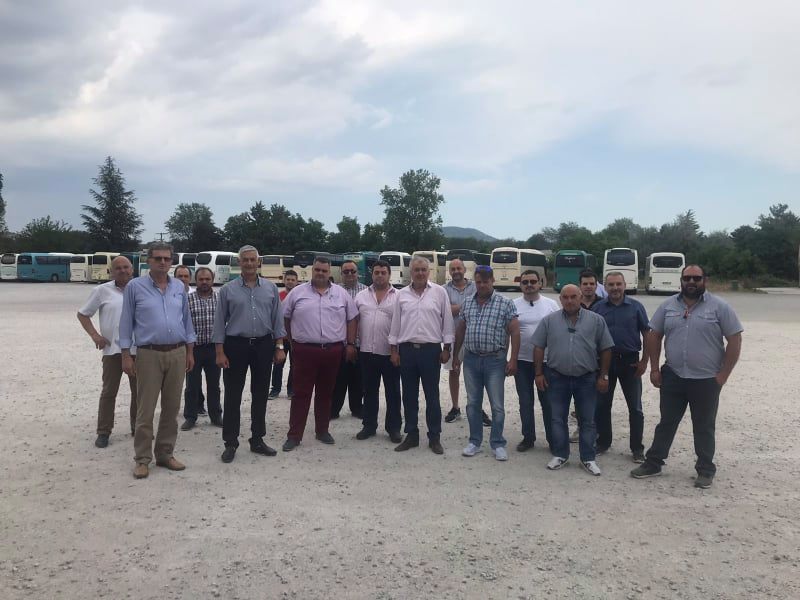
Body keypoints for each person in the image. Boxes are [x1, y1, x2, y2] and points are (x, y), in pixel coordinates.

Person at [631, 265, 742, 489]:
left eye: (696, 278)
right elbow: (654, 335)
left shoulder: (720, 307)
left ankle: (705, 470)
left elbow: (735, 339)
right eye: (687, 278)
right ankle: (653, 463)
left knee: (704, 426)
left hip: (706, 380)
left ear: (705, 280)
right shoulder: (668, 306)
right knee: (666, 422)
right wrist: (654, 368)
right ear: (681, 280)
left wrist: (723, 375)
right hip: (674, 376)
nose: (691, 282)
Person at [119, 242, 196, 480]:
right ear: (149, 260)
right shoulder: (135, 287)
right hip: (148, 354)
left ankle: (165, 454)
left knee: (172, 408)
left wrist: (190, 351)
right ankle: (142, 459)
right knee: (146, 410)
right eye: (158, 258)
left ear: (171, 261)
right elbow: (126, 322)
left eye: (167, 258)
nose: (163, 262)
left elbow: (186, 320)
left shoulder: (179, 287)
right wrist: (125, 354)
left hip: (177, 352)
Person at [213, 246, 286, 463]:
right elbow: (219, 322)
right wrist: (219, 352)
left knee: (260, 394)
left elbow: (277, 320)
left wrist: (279, 347)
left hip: (263, 345)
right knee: (233, 395)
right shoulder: (227, 290)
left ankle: (257, 439)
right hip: (236, 345)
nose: (249, 263)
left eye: (253, 259)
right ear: (239, 262)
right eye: (245, 260)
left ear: (258, 262)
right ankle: (230, 442)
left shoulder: (271, 289)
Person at [532, 284, 613, 476]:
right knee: (557, 418)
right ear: (560, 299)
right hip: (557, 377)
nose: (569, 301)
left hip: (586, 379)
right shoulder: (549, 321)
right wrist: (538, 373)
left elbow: (606, 348)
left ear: (580, 298)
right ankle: (560, 454)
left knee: (588, 420)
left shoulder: (596, 320)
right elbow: (538, 347)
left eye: (573, 297)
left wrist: (604, 376)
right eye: (565, 297)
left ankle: (588, 458)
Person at [282, 256, 358, 451]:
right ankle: (294, 435)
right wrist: (291, 340)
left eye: (324, 270)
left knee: (326, 393)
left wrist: (350, 343)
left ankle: (322, 430)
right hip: (304, 351)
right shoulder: (297, 292)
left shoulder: (341, 294)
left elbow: (352, 318)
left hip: (333, 351)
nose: (320, 273)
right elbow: (285, 317)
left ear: (329, 272)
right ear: (312, 270)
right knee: (301, 394)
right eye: (317, 270)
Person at [389, 257, 454, 455]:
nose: (420, 273)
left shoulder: (439, 292)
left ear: (429, 271)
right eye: (416, 270)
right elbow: (395, 324)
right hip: (407, 351)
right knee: (409, 395)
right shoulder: (401, 294)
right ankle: (412, 435)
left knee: (432, 396)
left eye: (423, 269)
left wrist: (447, 348)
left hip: (431, 351)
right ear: (411, 272)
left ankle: (434, 437)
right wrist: (394, 351)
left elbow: (447, 322)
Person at [453, 266, 519, 461]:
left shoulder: (505, 303)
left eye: (485, 281)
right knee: (472, 403)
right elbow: (461, 330)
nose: (482, 285)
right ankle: (474, 442)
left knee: (497, 405)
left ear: (492, 281)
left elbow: (515, 332)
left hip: (495, 361)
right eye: (478, 282)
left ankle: (498, 443)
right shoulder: (468, 303)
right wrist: (456, 356)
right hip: (471, 359)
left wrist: (513, 359)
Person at [77, 255, 138, 448]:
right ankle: (103, 431)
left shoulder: (141, 289)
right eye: (118, 268)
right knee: (109, 392)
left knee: (139, 392)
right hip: (112, 350)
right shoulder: (101, 291)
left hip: (138, 350)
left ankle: (138, 428)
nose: (123, 270)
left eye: (126, 267)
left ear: (132, 269)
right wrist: (95, 335)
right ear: (111, 271)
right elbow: (83, 314)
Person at [592, 271, 650, 462]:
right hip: (604, 363)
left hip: (630, 362)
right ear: (605, 287)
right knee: (602, 405)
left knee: (635, 407)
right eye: (611, 285)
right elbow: (591, 335)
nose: (615, 288)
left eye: (618, 284)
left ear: (625, 285)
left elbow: (647, 334)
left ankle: (637, 448)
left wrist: (645, 361)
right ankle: (603, 442)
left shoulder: (636, 307)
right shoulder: (598, 308)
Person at [353, 260, 402, 442]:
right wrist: (351, 344)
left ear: (389, 275)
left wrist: (397, 351)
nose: (380, 275)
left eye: (383, 272)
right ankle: (369, 426)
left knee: (393, 393)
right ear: (371, 274)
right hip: (367, 351)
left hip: (391, 353)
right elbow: (354, 321)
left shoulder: (399, 296)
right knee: (369, 391)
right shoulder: (361, 296)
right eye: (376, 272)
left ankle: (394, 428)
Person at [512, 269, 559, 452]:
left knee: (548, 402)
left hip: (546, 362)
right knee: (525, 402)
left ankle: (553, 439)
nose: (529, 285)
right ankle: (528, 437)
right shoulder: (513, 305)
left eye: (533, 281)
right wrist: (511, 359)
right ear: (520, 285)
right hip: (522, 361)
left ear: (540, 283)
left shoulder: (551, 305)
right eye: (525, 282)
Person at [443, 259, 491, 427]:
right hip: (452, 337)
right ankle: (455, 407)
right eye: (453, 269)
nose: (456, 271)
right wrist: (467, 305)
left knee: (476, 375)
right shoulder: (444, 289)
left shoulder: (475, 286)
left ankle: (477, 408)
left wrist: (455, 307)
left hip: (473, 337)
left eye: (459, 268)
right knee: (453, 372)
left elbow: (482, 305)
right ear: (449, 271)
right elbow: (445, 311)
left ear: (464, 270)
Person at [181, 267, 222, 431]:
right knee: (192, 385)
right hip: (194, 349)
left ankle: (216, 415)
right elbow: (183, 324)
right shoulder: (187, 300)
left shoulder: (220, 299)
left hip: (214, 349)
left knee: (214, 385)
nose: (204, 282)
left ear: (213, 280)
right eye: (201, 279)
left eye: (207, 279)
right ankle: (190, 417)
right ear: (195, 281)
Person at [331, 260, 367, 419]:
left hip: (360, 343)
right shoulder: (334, 291)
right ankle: (333, 409)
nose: (350, 274)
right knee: (338, 379)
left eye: (353, 271)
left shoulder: (366, 291)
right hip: (340, 343)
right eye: (346, 271)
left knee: (358, 379)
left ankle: (357, 408)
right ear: (341, 273)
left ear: (358, 273)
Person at [175, 264, 205, 414]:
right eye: (179, 276)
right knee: (187, 377)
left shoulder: (194, 294)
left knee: (194, 376)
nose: (183, 279)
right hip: (179, 341)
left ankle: (199, 404)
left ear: (190, 278)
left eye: (185, 276)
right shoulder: (171, 294)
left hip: (196, 342)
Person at [269, 269, 299, 398]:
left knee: (295, 365)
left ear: (297, 281)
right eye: (288, 279)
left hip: (296, 338)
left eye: (293, 280)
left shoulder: (300, 297)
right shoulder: (278, 296)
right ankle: (275, 389)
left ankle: (291, 390)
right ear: (284, 280)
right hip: (280, 337)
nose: (290, 282)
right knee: (278, 363)